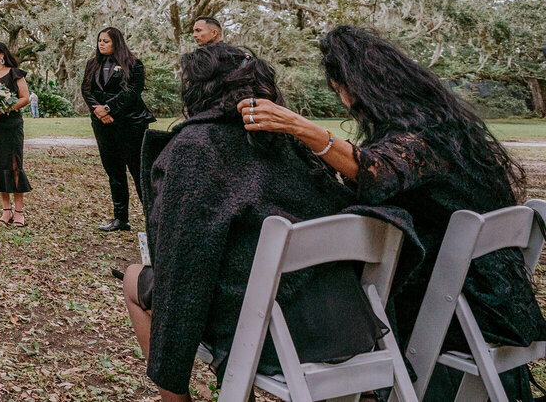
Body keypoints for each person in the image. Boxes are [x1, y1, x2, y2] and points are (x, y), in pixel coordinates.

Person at [242, 25, 546, 402]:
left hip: (464, 307)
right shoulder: (440, 124)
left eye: (340, 91)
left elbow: (375, 170)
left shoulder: (425, 135)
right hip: (492, 294)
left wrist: (298, 126)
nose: (344, 102)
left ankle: (354, 381)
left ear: (357, 87)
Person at [120, 42, 412, 402]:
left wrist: (173, 369)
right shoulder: (293, 142)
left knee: (136, 278)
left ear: (198, 89)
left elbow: (184, 268)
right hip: (350, 326)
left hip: (265, 331)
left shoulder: (195, 147)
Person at [81, 26, 154, 232]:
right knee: (114, 171)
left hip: (130, 124)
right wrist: (98, 111)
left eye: (106, 41)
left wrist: (108, 108)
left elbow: (132, 91)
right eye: (99, 41)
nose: (101, 44)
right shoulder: (92, 64)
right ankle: (121, 218)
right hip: (102, 125)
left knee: (138, 171)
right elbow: (86, 89)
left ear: (116, 42)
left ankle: (152, 218)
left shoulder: (133, 64)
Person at [0, 40, 33, 227]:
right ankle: (6, 211)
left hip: (11, 125)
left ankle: (19, 212)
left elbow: (25, 98)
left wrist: (5, 108)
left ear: (2, 54)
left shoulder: (14, 73)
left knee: (14, 165)